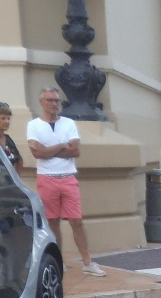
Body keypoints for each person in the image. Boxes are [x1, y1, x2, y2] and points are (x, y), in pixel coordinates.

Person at [26, 87, 105, 276]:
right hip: (47, 178)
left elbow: (75, 151)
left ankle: (87, 262)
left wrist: (49, 150)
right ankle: (57, 261)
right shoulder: (34, 125)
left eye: (56, 101)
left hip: (68, 177)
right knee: (52, 222)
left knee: (76, 221)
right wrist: (62, 146)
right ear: (42, 102)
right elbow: (37, 153)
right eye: (50, 100)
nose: (54, 104)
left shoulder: (68, 123)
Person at [0, 101, 23, 169]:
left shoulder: (8, 140)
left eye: (8, 118)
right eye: (3, 118)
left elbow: (19, 160)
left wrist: (16, 177)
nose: (7, 121)